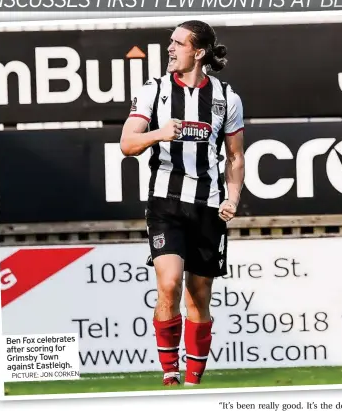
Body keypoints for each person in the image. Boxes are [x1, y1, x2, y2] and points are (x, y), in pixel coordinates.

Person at [120, 20, 245, 386]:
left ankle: (193, 382)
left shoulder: (226, 97)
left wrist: (233, 197)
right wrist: (160, 132)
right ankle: (170, 375)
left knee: (198, 297)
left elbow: (235, 157)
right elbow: (127, 144)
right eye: (170, 42)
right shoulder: (153, 90)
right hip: (166, 202)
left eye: (178, 43)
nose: (170, 49)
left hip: (208, 205)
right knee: (170, 284)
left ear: (199, 52)